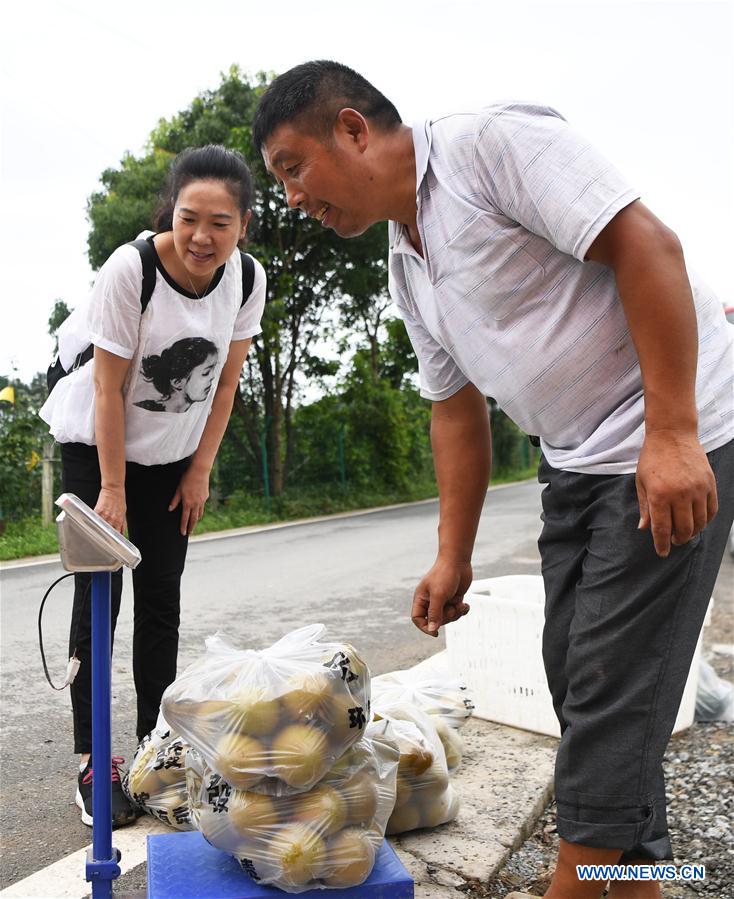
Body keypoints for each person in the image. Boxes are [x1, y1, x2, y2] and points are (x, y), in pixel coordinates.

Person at [252, 62, 734, 899]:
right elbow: (455, 410)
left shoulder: (487, 147)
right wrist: (453, 555)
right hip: (577, 461)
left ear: (354, 129)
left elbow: (645, 243)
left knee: (612, 693)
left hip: (668, 436)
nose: (292, 197)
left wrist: (673, 432)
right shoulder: (408, 261)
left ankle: (576, 883)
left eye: (293, 167)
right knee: (577, 682)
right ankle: (646, 882)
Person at [40, 144, 267, 828]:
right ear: (172, 210)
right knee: (99, 601)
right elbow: (107, 387)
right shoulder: (131, 270)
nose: (202, 236)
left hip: (172, 459)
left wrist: (199, 469)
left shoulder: (246, 281)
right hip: (94, 447)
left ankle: (153, 752)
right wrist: (110, 488)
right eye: (190, 216)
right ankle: (92, 760)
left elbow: (226, 382)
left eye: (220, 223)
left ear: (243, 225)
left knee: (161, 600)